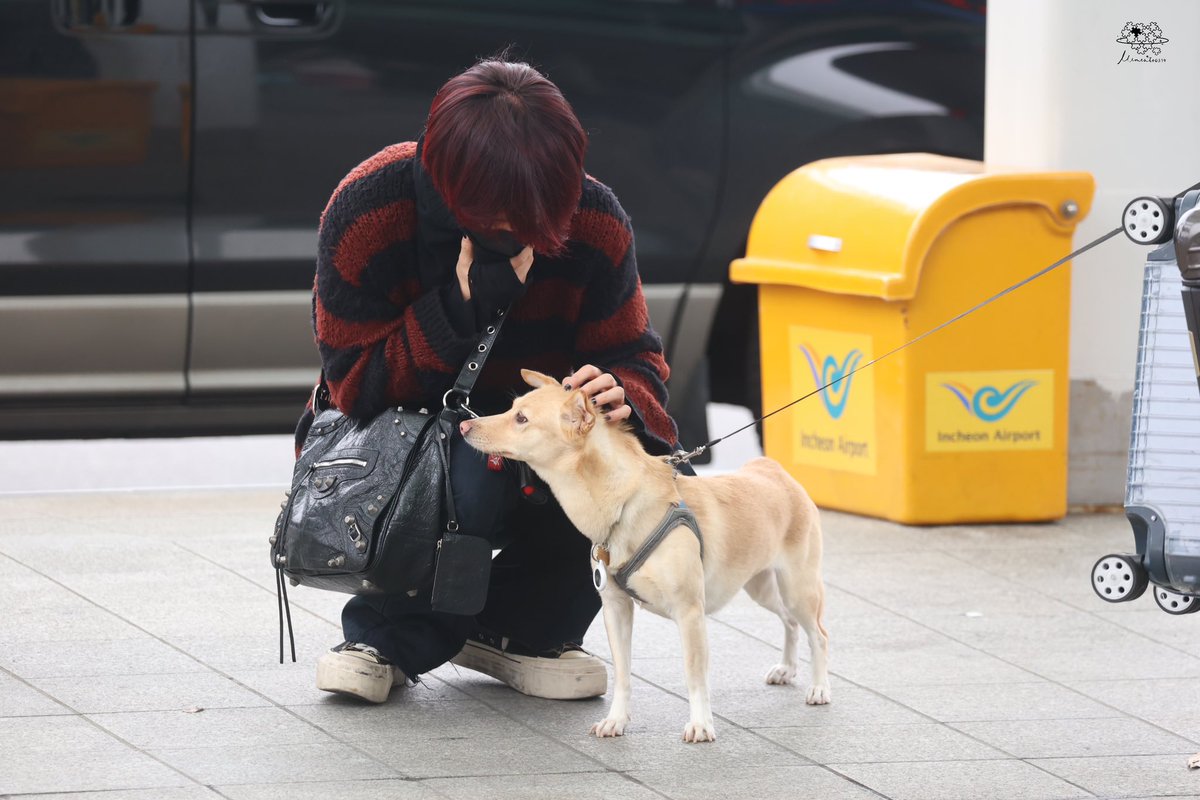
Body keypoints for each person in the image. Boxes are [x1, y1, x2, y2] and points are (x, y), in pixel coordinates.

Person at [301, 58, 685, 704]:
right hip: (399, 444)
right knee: (474, 473)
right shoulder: (372, 206)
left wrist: (623, 392)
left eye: (544, 212)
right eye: (505, 215)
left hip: (540, 435)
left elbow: (635, 356)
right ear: (449, 182)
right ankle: (384, 637)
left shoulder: (594, 215)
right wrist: (457, 307)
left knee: (640, 470)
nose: (524, 229)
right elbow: (353, 386)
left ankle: (523, 630)